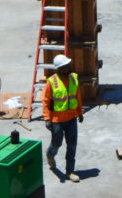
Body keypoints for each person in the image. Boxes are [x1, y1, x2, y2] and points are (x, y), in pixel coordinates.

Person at [42, 53, 83, 181]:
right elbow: (45, 101)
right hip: (57, 120)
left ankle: (69, 172)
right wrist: (47, 119)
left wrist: (80, 113)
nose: (69, 67)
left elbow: (77, 97)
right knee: (57, 143)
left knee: (72, 145)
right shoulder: (52, 82)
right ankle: (50, 155)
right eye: (66, 65)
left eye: (68, 65)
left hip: (71, 118)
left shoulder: (74, 78)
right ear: (60, 69)